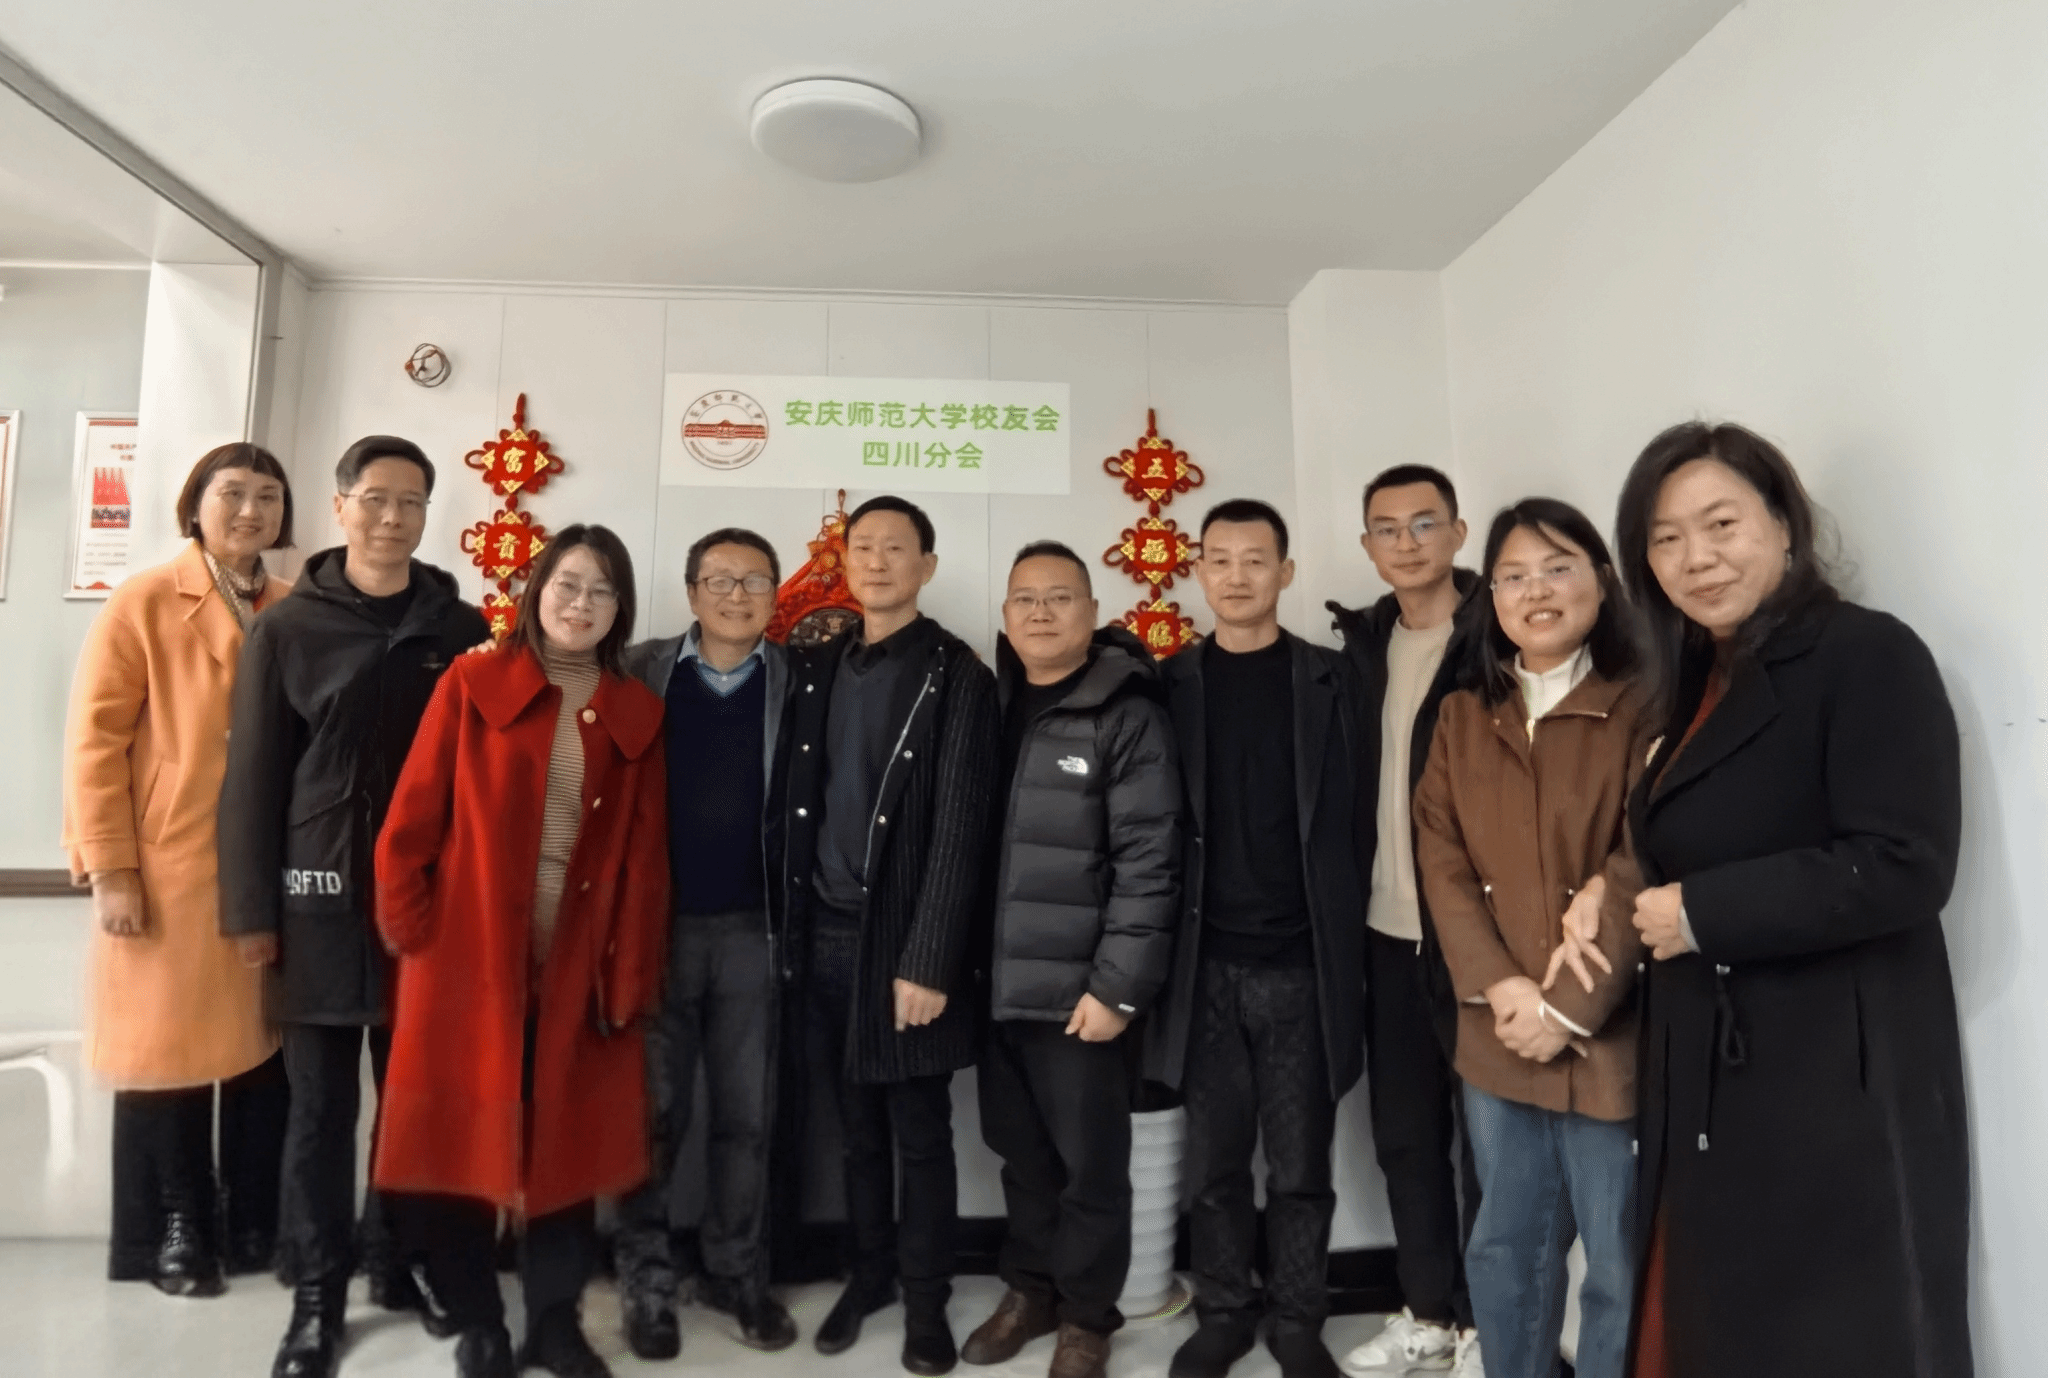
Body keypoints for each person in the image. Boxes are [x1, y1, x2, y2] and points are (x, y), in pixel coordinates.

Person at [1592, 421, 1970, 1378]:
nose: (1696, 558)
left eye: (1721, 524)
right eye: (1666, 539)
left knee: (1824, 1336)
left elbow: (1906, 862)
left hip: (1827, 1082)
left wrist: (1702, 913)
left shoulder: (1867, 654)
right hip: (1715, 1072)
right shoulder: (1698, 677)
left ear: (1785, 526)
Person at [218, 435, 491, 1378]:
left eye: (411, 501)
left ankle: (398, 1261)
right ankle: (316, 1297)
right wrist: (252, 910)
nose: (392, 517)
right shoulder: (288, 629)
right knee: (320, 1114)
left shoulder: (462, 628)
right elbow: (252, 781)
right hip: (316, 903)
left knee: (416, 1108)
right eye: (375, 498)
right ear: (340, 507)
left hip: (432, 912)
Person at [373, 525, 669, 1378]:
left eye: (602, 590)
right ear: (536, 592)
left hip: (580, 971)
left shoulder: (635, 712)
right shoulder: (474, 682)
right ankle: (479, 1323)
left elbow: (645, 863)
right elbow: (410, 824)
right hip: (466, 963)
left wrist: (629, 973)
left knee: (565, 1155)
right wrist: (416, 935)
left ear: (620, 609)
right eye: (567, 584)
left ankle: (554, 1323)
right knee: (460, 1151)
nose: (581, 603)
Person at [1410, 499, 1653, 1378]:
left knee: (1621, 1264)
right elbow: (1439, 857)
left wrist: (1568, 1008)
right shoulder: (1462, 716)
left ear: (1603, 581)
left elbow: (1645, 854)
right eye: (1512, 576)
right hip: (1500, 1030)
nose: (1535, 592)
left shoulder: (1647, 703)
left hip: (1614, 1032)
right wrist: (1507, 990)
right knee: (1504, 1247)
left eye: (1557, 568)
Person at [62, 443, 296, 1296]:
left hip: (266, 869)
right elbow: (94, 742)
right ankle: (174, 1229)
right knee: (166, 1055)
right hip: (169, 867)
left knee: (261, 1057)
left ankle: (250, 1227)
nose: (250, 511)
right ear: (194, 504)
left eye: (268, 496)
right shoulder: (145, 599)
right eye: (232, 493)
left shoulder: (293, 605)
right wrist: (110, 868)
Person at [780, 494, 1000, 1376]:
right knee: (855, 1132)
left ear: (927, 566)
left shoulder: (958, 675)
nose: (875, 562)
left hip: (908, 947)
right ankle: (868, 1276)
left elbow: (961, 830)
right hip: (826, 938)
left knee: (920, 1135)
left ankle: (925, 1302)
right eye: (861, 546)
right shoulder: (820, 666)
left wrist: (929, 959)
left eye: (895, 548)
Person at [1150, 499, 1368, 1378]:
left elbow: (1364, 817)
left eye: (1254, 559)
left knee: (1300, 1165)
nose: (1236, 576)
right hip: (1202, 966)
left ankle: (1298, 1319)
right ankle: (1223, 1312)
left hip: (1303, 963)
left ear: (1285, 571)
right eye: (1219, 559)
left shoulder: (1333, 681)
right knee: (1214, 1165)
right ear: (1198, 571)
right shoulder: (1168, 684)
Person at [960, 542, 1181, 1378]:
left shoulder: (1125, 712)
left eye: (1060, 597)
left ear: (1092, 613)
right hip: (998, 984)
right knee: (1021, 1156)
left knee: (1092, 1168)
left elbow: (1151, 859)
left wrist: (1117, 988)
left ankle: (1087, 1316)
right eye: (1025, 599)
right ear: (1005, 616)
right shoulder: (992, 703)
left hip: (1080, 992)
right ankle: (1031, 1289)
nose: (1041, 613)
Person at [612, 527, 799, 1359]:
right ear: (690, 593)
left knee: (747, 1117)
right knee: (650, 1117)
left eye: (754, 580)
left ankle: (737, 1273)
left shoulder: (799, 680)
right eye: (719, 580)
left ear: (775, 596)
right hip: (656, 930)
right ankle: (646, 1282)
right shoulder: (640, 671)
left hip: (755, 931)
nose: (736, 595)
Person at [1326, 466, 1487, 1378]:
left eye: (1425, 523)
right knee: (1406, 1138)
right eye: (1387, 528)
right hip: (1385, 934)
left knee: (1492, 1143)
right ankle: (1427, 1308)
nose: (1407, 542)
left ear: (1458, 533)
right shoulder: (1360, 646)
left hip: (1476, 937)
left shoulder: (1496, 637)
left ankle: (1487, 1319)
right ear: (1367, 547)